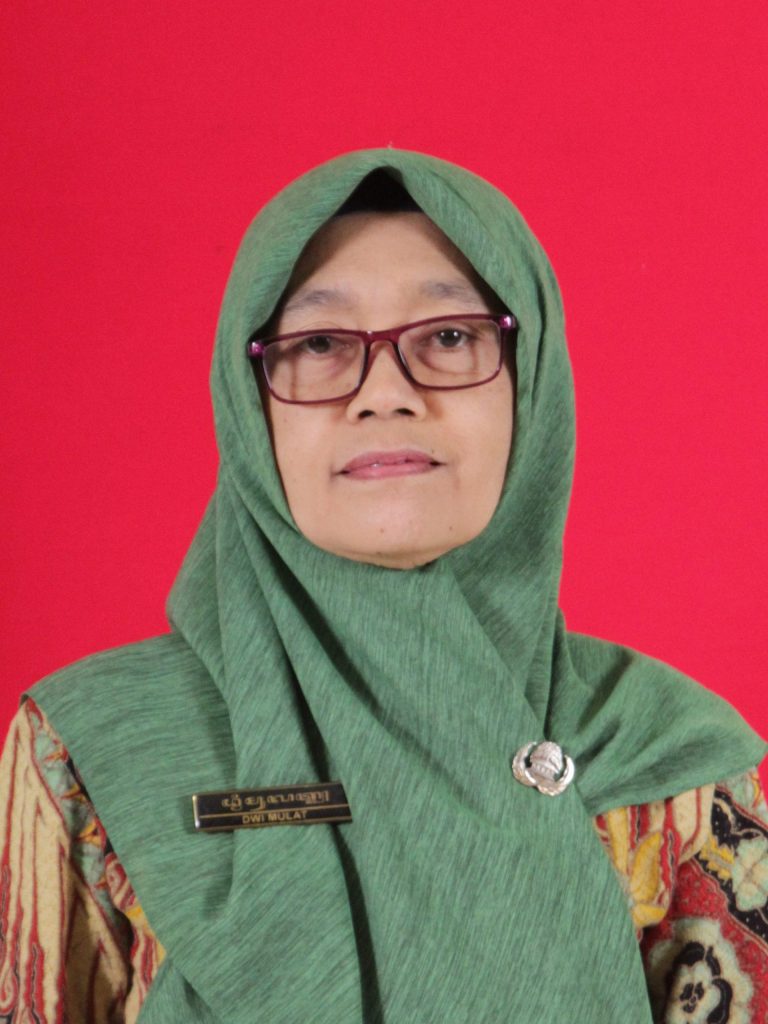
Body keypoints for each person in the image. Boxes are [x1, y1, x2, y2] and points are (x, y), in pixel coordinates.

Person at [1, 150, 766, 1023]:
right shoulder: (88, 753)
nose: (384, 395)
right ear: (250, 408)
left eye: (450, 338)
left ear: (532, 385)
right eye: (320, 345)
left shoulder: (675, 762)